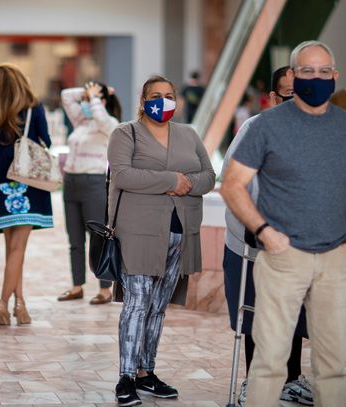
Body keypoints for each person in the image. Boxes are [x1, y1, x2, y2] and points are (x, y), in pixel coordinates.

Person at [221, 41, 346, 407]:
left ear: (335, 76)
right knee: (270, 362)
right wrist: (264, 232)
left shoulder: (343, 127)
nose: (316, 78)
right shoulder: (265, 126)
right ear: (292, 76)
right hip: (282, 256)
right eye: (307, 71)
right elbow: (232, 185)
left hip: (335, 259)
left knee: (334, 363)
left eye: (324, 72)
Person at [108, 75, 215, 406]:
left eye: (169, 95)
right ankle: (125, 377)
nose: (163, 101)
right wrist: (171, 180)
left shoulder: (189, 134)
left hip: (180, 230)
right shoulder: (126, 134)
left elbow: (209, 177)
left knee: (157, 307)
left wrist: (185, 184)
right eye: (156, 95)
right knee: (138, 301)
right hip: (137, 230)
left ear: (177, 101)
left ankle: (146, 373)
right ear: (143, 100)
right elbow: (123, 174)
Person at [221, 66, 313, 407]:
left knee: (293, 315)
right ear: (273, 98)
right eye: (290, 94)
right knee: (255, 316)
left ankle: (290, 380)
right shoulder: (254, 130)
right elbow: (234, 186)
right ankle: (254, 382)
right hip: (253, 243)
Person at [0, 63, 54, 326]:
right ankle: (2, 303)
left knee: (12, 250)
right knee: (18, 249)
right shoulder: (34, 109)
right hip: (28, 186)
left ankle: (20, 305)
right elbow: (47, 141)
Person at [57, 81, 121, 305]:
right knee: (74, 239)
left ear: (102, 102)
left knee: (97, 237)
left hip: (94, 183)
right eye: (84, 99)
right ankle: (77, 286)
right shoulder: (81, 122)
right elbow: (66, 95)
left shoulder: (109, 124)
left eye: (90, 99)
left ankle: (105, 288)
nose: (84, 103)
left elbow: (102, 118)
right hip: (71, 182)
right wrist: (87, 91)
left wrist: (95, 98)